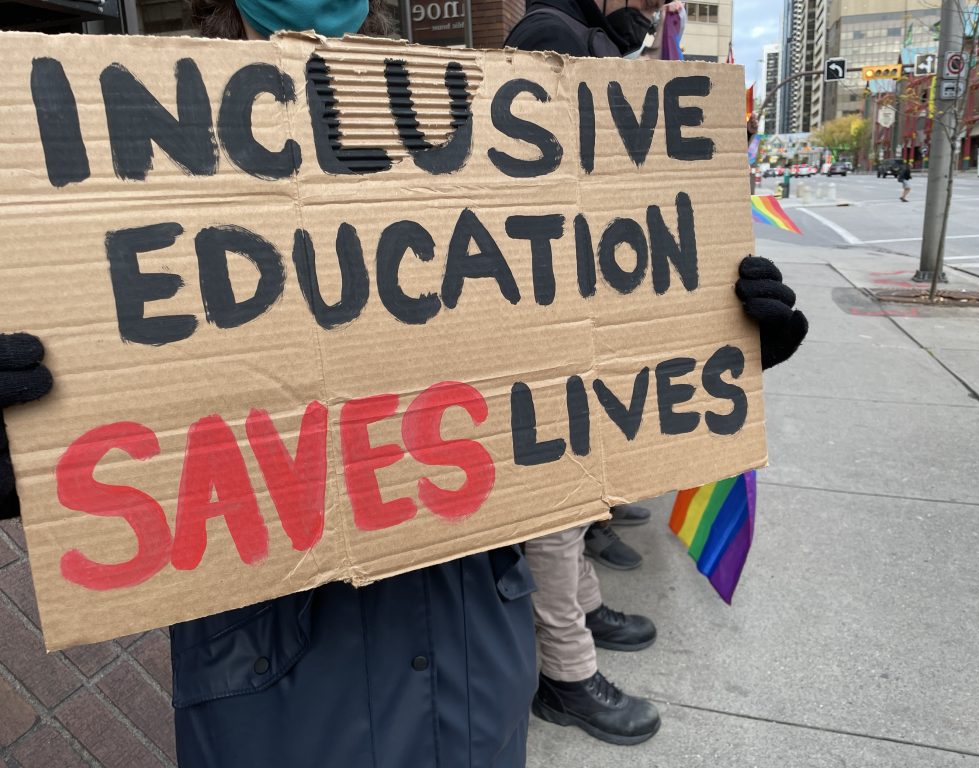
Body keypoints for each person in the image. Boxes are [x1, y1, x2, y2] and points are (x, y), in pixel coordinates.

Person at [1, 3, 539, 767]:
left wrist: (705, 331)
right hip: (284, 697)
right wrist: (34, 443)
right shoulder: (141, 181)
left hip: (474, 667)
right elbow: (117, 402)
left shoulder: (466, 136)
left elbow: (562, 370)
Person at [506, 0, 809, 748]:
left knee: (577, 503)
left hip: (586, 315)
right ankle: (566, 676)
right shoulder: (550, 35)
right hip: (548, 325)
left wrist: (721, 319)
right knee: (553, 513)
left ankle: (581, 613)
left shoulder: (610, 39)